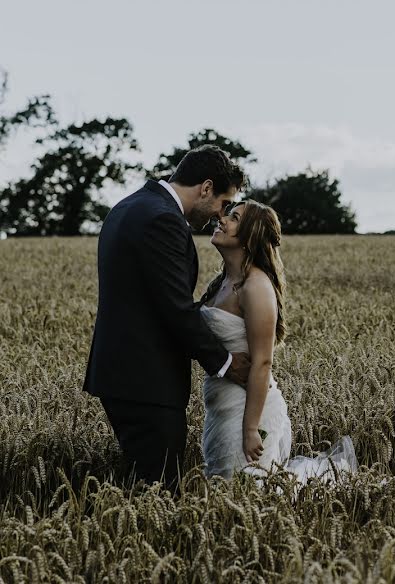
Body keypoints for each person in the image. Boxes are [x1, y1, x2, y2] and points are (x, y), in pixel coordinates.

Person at [84, 145, 252, 491]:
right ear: (205, 188)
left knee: (144, 487)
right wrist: (224, 362)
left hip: (123, 375)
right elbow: (174, 307)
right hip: (146, 380)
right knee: (159, 489)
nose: (220, 215)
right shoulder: (161, 219)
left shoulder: (129, 206)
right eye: (223, 203)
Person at [200, 200, 357, 482]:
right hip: (220, 406)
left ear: (249, 238)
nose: (222, 220)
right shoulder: (222, 282)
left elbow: (262, 361)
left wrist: (250, 429)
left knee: (246, 492)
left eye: (233, 218)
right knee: (227, 492)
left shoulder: (256, 286)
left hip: (249, 412)